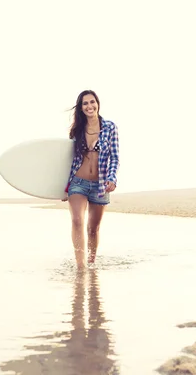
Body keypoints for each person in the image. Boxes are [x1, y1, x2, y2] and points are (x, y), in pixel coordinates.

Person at [62, 90, 120, 269]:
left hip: (100, 185)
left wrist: (112, 178)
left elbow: (115, 157)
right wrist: (62, 187)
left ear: (98, 103)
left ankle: (91, 262)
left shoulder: (110, 127)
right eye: (85, 103)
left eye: (92, 102)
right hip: (78, 182)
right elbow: (66, 160)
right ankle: (81, 266)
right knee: (77, 220)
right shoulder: (76, 131)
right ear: (81, 108)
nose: (89, 106)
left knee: (93, 229)